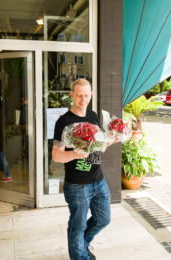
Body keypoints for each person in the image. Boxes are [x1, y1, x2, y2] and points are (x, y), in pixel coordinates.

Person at [52, 79, 118, 260]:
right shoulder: (63, 122)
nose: (83, 99)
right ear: (71, 95)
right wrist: (74, 154)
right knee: (77, 226)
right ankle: (80, 256)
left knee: (103, 219)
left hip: (98, 179)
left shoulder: (93, 115)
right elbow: (56, 156)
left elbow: (96, 144)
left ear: (91, 95)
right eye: (79, 95)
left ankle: (80, 246)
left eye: (86, 95)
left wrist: (109, 141)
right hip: (77, 185)